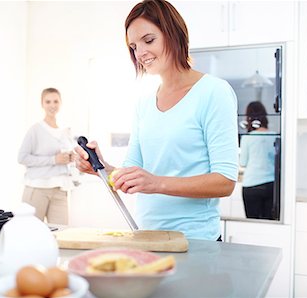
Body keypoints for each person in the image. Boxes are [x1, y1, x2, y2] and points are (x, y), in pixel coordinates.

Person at [74, 0, 238, 241]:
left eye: (148, 40)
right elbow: (131, 175)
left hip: (195, 241)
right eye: (133, 47)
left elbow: (224, 182)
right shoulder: (144, 104)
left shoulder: (214, 92)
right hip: (147, 236)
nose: (140, 53)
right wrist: (100, 168)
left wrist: (156, 183)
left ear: (174, 34)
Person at [18, 87, 78, 225]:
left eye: (56, 101)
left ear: (60, 103)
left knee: (61, 234)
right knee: (30, 232)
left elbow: (65, 156)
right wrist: (54, 159)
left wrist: (70, 158)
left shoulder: (65, 131)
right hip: (37, 188)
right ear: (42, 104)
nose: (52, 105)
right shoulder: (35, 130)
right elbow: (22, 157)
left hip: (60, 189)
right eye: (48, 101)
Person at [239, 101, 276, 220]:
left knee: (253, 225)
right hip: (271, 185)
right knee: (270, 224)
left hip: (251, 185)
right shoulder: (275, 135)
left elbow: (243, 162)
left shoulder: (248, 137)